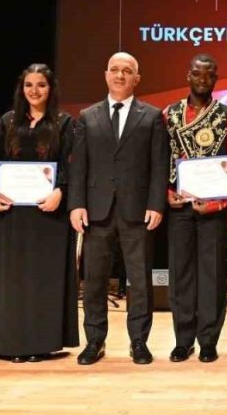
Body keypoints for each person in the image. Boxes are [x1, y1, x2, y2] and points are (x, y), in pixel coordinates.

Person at [69, 52, 169, 366]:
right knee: (95, 280)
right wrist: (76, 204)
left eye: (127, 71)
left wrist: (156, 203)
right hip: (97, 211)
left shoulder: (151, 116)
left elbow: (159, 165)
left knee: (140, 281)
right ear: (106, 74)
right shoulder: (88, 116)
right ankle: (94, 342)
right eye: (115, 69)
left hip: (137, 211)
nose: (120, 75)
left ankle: (138, 342)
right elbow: (79, 167)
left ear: (136, 78)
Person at [0, 64, 77, 362]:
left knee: (42, 279)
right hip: (11, 215)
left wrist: (60, 191)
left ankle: (41, 343)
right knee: (11, 280)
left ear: (51, 89)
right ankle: (10, 344)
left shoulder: (64, 123)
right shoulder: (6, 122)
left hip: (49, 214)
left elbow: (71, 165)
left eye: (41, 85)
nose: (34, 91)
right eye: (29, 85)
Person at [164, 54, 227, 363]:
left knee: (211, 276)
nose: (202, 79)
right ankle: (183, 340)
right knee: (181, 275)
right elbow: (160, 161)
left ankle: (208, 340)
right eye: (197, 74)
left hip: (212, 210)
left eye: (209, 75)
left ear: (215, 79)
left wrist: (218, 203)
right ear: (188, 75)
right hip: (179, 207)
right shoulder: (168, 115)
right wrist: (165, 193)